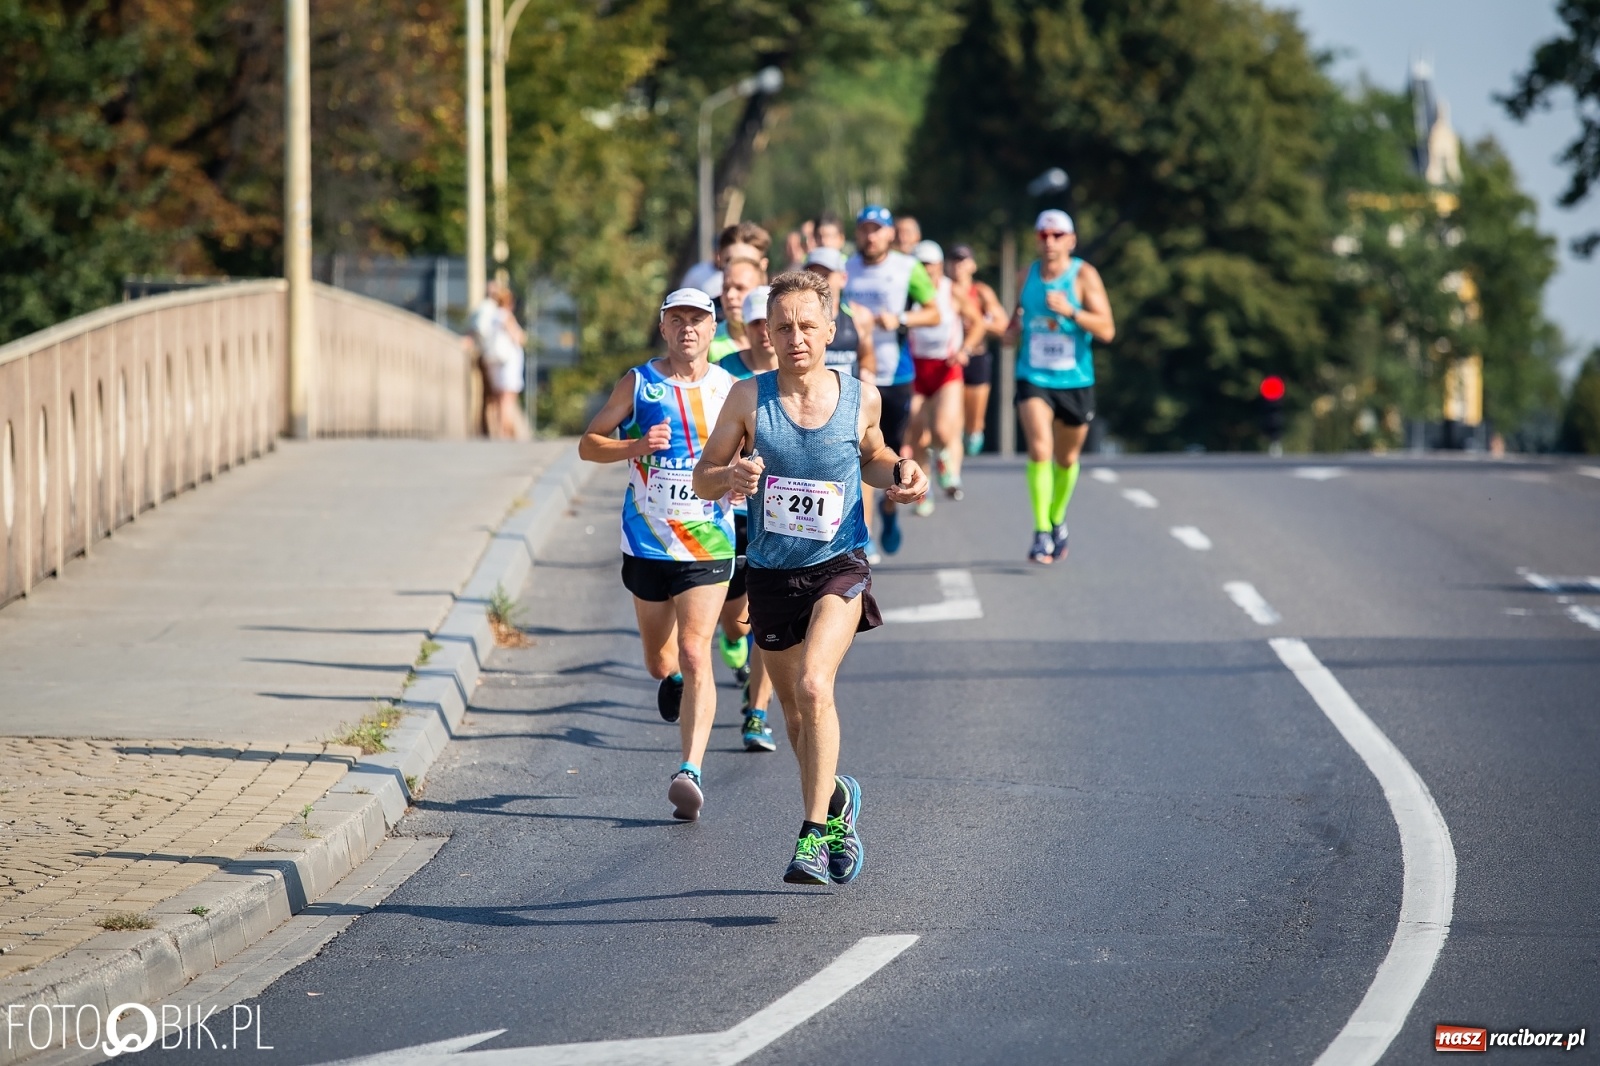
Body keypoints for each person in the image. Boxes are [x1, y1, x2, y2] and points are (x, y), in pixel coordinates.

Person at [693, 270, 930, 884]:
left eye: (806, 326)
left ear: (829, 329)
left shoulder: (861, 397)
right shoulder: (747, 398)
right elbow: (702, 477)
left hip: (838, 565)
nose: (795, 338)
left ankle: (812, 838)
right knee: (796, 717)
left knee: (815, 686)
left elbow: (873, 456)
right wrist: (730, 478)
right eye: (783, 327)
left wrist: (901, 472)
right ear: (767, 335)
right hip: (772, 574)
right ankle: (837, 802)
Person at [578, 288, 737, 820]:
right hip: (647, 541)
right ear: (664, 328)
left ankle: (689, 770)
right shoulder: (640, 383)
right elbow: (589, 444)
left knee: (695, 650)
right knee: (660, 661)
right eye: (678, 320)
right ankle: (671, 681)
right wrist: (637, 446)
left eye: (698, 320)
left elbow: (757, 449)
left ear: (712, 329)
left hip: (708, 540)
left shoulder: (730, 389)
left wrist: (744, 478)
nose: (688, 328)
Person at [1005, 210, 1116, 564]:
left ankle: (1057, 518)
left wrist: (1071, 311)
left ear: (1071, 240)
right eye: (1043, 235)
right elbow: (1014, 323)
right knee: (1040, 449)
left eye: (1056, 235)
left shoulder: (1083, 275)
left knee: (1066, 458)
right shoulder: (1026, 275)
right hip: (1033, 376)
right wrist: (1010, 331)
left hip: (1075, 380)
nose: (1049, 242)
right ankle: (1041, 532)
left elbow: (1107, 329)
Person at [843, 206, 939, 557]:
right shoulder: (845, 268)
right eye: (865, 229)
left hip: (896, 375)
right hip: (855, 376)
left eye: (877, 229)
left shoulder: (907, 267)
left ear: (889, 234)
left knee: (890, 458)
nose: (870, 236)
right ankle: (863, 534)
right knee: (859, 454)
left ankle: (888, 510)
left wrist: (899, 319)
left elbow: (934, 312)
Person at [715, 285, 779, 753]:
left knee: (764, 618)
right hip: (731, 508)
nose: (765, 333)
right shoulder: (726, 374)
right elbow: (709, 439)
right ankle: (734, 642)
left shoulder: (797, 374)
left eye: (769, 324)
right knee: (735, 616)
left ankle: (757, 713)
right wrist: (729, 473)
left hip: (779, 514)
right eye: (756, 324)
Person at [906, 240, 984, 512]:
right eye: (920, 264)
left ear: (939, 266)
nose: (925, 270)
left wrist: (965, 349)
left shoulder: (952, 291)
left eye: (930, 264)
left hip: (947, 367)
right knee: (917, 433)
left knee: (941, 430)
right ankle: (923, 493)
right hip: (916, 368)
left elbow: (978, 322)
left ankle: (942, 455)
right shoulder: (908, 291)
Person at [949, 245, 1009, 456]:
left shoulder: (981, 292)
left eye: (963, 261)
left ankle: (972, 436)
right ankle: (949, 454)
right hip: (950, 359)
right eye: (954, 261)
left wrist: (978, 323)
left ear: (972, 265)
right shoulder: (941, 290)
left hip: (976, 358)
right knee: (951, 417)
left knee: (973, 423)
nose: (958, 266)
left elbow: (1002, 325)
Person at [804, 247, 874, 383]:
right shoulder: (796, 317)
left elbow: (867, 356)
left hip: (848, 393)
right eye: (812, 276)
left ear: (843, 278)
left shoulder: (860, 316)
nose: (818, 283)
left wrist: (867, 372)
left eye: (825, 276)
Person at [683, 222, 772, 301]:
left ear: (763, 265)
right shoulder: (708, 312)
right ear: (720, 261)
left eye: (746, 261)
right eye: (729, 261)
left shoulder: (777, 309)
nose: (736, 268)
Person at [710, 255, 766, 362]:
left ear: (760, 290)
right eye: (726, 288)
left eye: (740, 288)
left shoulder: (780, 340)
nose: (730, 295)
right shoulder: (708, 340)